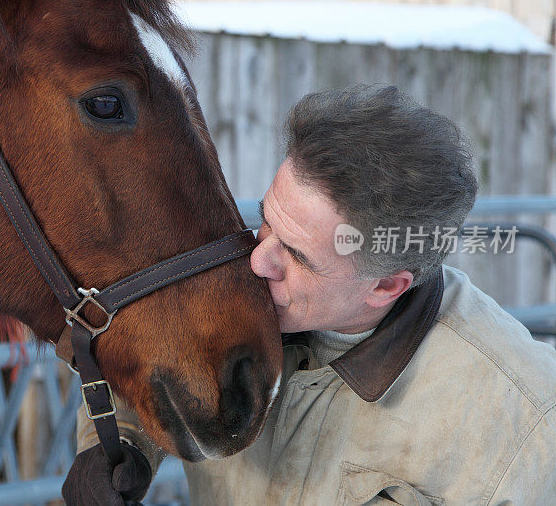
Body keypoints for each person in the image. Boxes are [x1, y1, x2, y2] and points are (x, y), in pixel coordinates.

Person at [61, 85, 556, 505]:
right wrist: (120, 443)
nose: (258, 262)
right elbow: (154, 352)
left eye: (297, 256)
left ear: (385, 285)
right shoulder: (238, 285)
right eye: (266, 222)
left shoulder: (523, 429)